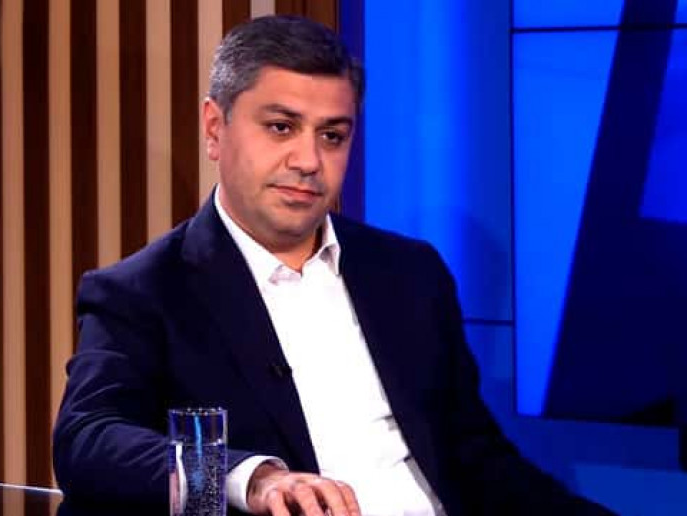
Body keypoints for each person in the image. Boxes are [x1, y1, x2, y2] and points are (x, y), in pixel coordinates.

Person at [53, 15, 614, 516]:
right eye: (281, 127)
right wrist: (251, 479)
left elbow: (476, 459)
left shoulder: (411, 274)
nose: (308, 160)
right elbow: (88, 439)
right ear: (214, 129)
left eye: (332, 136)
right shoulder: (144, 292)